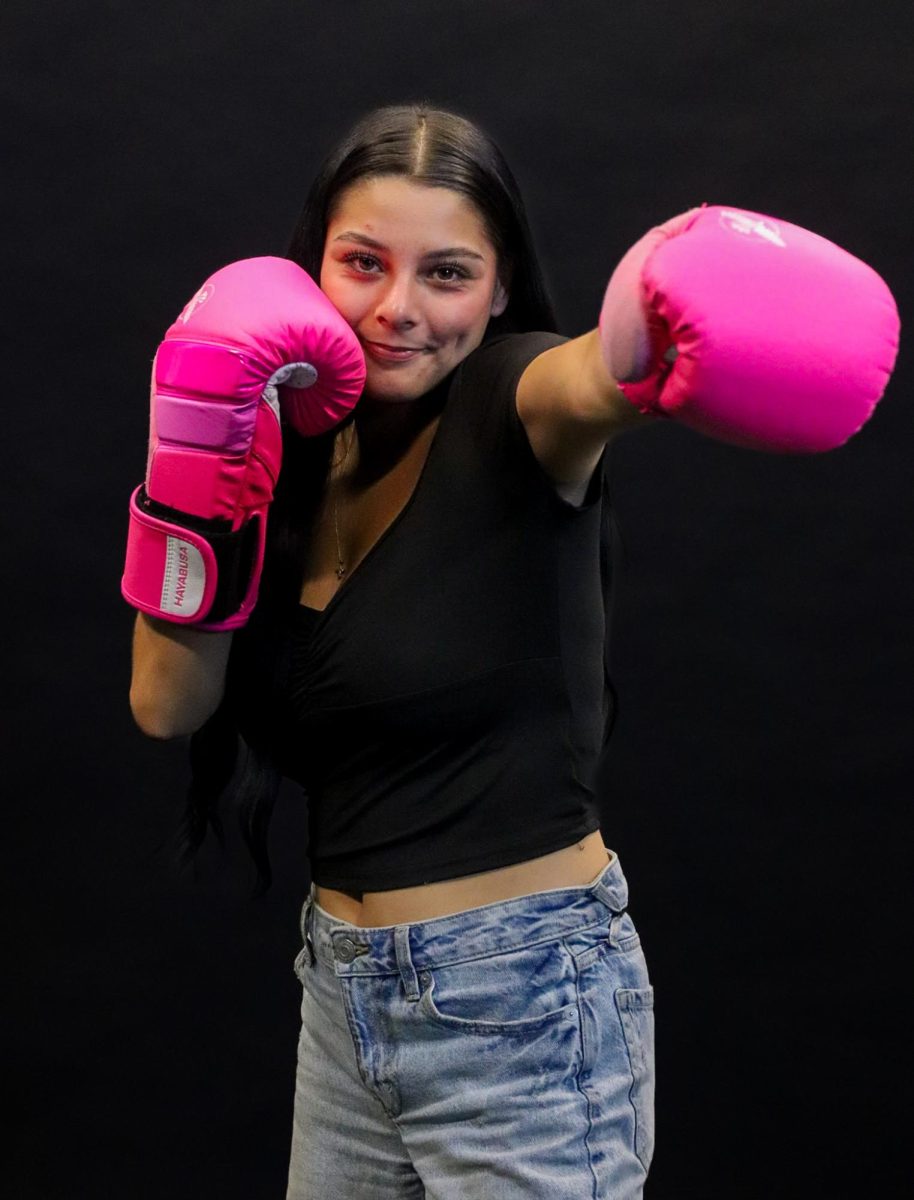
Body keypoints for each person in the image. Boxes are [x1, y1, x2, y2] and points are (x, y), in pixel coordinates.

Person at [124, 104, 898, 1199]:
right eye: (362, 264)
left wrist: (642, 338)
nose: (397, 311)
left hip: (523, 1002)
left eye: (445, 274)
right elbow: (166, 706)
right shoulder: (282, 447)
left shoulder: (516, 407)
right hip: (342, 1000)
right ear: (312, 268)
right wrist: (195, 464)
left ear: (495, 291)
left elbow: (588, 382)